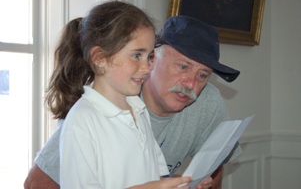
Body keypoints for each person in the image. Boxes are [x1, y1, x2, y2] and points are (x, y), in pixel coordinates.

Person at [24, 14, 240, 189]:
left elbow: (206, 168)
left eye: (203, 75)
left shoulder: (140, 113)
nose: (191, 83)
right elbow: (35, 184)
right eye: (183, 66)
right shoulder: (98, 110)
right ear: (153, 59)